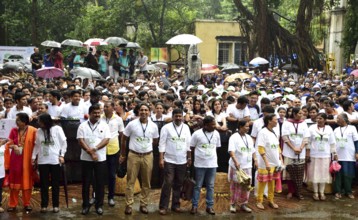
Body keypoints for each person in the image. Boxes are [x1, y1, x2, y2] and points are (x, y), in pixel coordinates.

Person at [119, 103, 159, 215]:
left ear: (149, 112)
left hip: (147, 155)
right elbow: (124, 139)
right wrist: (123, 154)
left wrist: (146, 146)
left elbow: (155, 141)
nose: (144, 112)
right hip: (133, 155)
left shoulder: (153, 126)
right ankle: (129, 205)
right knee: (130, 181)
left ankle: (143, 204)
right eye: (142, 110)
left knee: (146, 182)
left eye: (146, 110)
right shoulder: (132, 124)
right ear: (138, 111)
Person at [77, 104, 110, 215]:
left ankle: (99, 205)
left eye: (98, 113)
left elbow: (106, 140)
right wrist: (91, 153)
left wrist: (95, 149)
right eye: (94, 113)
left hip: (100, 159)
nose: (97, 115)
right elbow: (81, 141)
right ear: (90, 113)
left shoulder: (104, 125)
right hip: (86, 159)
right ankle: (86, 205)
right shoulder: (82, 126)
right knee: (86, 183)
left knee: (100, 183)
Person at [158, 108, 192, 215]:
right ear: (172, 117)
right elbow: (162, 144)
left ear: (182, 117)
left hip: (182, 160)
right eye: (176, 116)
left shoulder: (186, 128)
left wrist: (189, 158)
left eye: (180, 116)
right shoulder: (166, 128)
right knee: (168, 183)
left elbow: (188, 144)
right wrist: (161, 158)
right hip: (169, 160)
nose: (178, 118)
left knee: (178, 184)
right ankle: (163, 206)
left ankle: (176, 205)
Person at [31, 113, 67, 213]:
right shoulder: (39, 131)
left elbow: (64, 142)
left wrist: (62, 155)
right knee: (44, 184)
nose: (38, 123)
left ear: (45, 121)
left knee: (55, 184)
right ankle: (44, 205)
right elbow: (37, 145)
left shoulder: (57, 129)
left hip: (55, 160)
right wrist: (33, 157)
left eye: (40, 121)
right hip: (43, 161)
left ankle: (56, 205)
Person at [5, 113, 37, 212]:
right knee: (14, 182)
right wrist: (13, 146)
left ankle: (27, 204)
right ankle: (12, 204)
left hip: (28, 160)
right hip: (15, 160)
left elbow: (37, 145)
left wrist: (35, 158)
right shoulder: (14, 130)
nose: (16, 122)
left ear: (24, 122)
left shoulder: (33, 131)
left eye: (18, 120)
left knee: (27, 181)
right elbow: (9, 143)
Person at [190, 116, 221, 215]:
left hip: (212, 164)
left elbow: (216, 147)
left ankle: (209, 206)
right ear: (206, 125)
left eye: (214, 124)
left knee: (210, 186)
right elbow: (192, 147)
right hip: (200, 164)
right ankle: (194, 206)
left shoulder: (216, 134)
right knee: (197, 185)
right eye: (212, 124)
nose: (214, 126)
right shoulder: (197, 134)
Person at [307, 113, 337, 201]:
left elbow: (332, 142)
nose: (318, 120)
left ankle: (322, 192)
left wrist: (334, 153)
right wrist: (307, 153)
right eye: (317, 118)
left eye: (320, 118)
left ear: (324, 120)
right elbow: (308, 141)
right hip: (314, 154)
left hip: (325, 155)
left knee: (324, 174)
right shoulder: (312, 128)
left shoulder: (329, 129)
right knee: (315, 174)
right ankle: (315, 193)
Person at [228, 120, 257, 213]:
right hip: (237, 166)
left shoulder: (249, 137)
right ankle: (233, 204)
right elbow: (231, 151)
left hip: (247, 166)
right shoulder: (233, 137)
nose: (248, 128)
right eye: (246, 126)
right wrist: (236, 161)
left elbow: (252, 150)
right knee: (235, 185)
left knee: (247, 185)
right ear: (240, 127)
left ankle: (243, 204)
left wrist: (255, 160)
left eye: (248, 126)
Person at [256, 113, 283, 210]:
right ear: (269, 121)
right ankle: (259, 201)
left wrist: (281, 159)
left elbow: (277, 147)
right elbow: (261, 148)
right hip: (265, 163)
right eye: (275, 119)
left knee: (272, 183)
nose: (277, 121)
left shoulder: (274, 131)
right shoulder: (263, 132)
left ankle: (271, 200)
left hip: (275, 163)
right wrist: (266, 162)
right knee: (262, 183)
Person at [282, 107, 310, 200]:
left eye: (302, 114)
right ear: (294, 114)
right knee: (290, 172)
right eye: (299, 113)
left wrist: (301, 147)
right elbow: (285, 137)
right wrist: (293, 148)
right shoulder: (286, 123)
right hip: (289, 151)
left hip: (301, 152)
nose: (301, 115)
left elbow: (306, 137)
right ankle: (290, 191)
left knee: (299, 173)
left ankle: (298, 191)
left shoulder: (304, 123)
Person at [101, 101, 124, 207]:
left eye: (107, 106)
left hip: (114, 149)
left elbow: (121, 135)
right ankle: (98, 196)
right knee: (99, 174)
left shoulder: (118, 119)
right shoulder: (99, 118)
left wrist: (122, 152)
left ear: (112, 108)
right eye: (104, 107)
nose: (105, 108)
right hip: (100, 149)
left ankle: (111, 197)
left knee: (111, 175)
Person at [333, 113, 358, 199]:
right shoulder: (336, 130)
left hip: (349, 155)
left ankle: (348, 191)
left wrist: (357, 152)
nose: (337, 120)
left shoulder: (352, 128)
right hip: (338, 155)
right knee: (338, 174)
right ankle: (337, 191)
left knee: (348, 174)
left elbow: (356, 141)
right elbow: (333, 143)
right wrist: (334, 153)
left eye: (338, 118)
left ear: (344, 119)